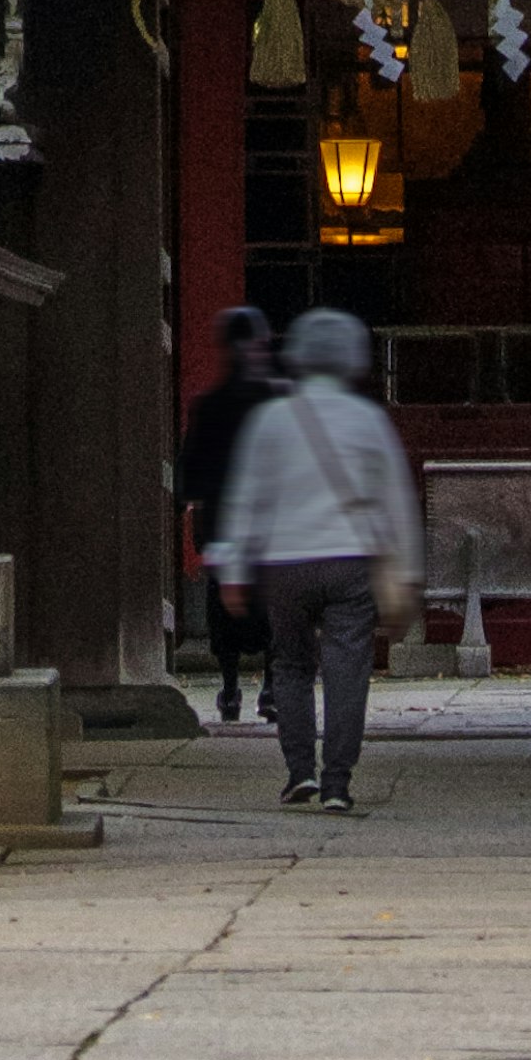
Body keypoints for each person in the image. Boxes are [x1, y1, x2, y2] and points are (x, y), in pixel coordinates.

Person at [207, 303, 422, 814]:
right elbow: (397, 499)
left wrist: (234, 570)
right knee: (348, 669)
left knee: (292, 664)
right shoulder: (369, 420)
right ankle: (337, 783)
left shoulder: (271, 420)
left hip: (285, 563)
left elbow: (245, 497)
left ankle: (299, 771)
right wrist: (409, 574)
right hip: (351, 561)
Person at [176, 304, 279, 727]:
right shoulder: (276, 398)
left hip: (221, 519)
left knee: (223, 608)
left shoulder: (210, 404)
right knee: (274, 603)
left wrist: (184, 499)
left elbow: (191, 463)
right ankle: (271, 684)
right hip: (270, 520)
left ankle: (231, 685)